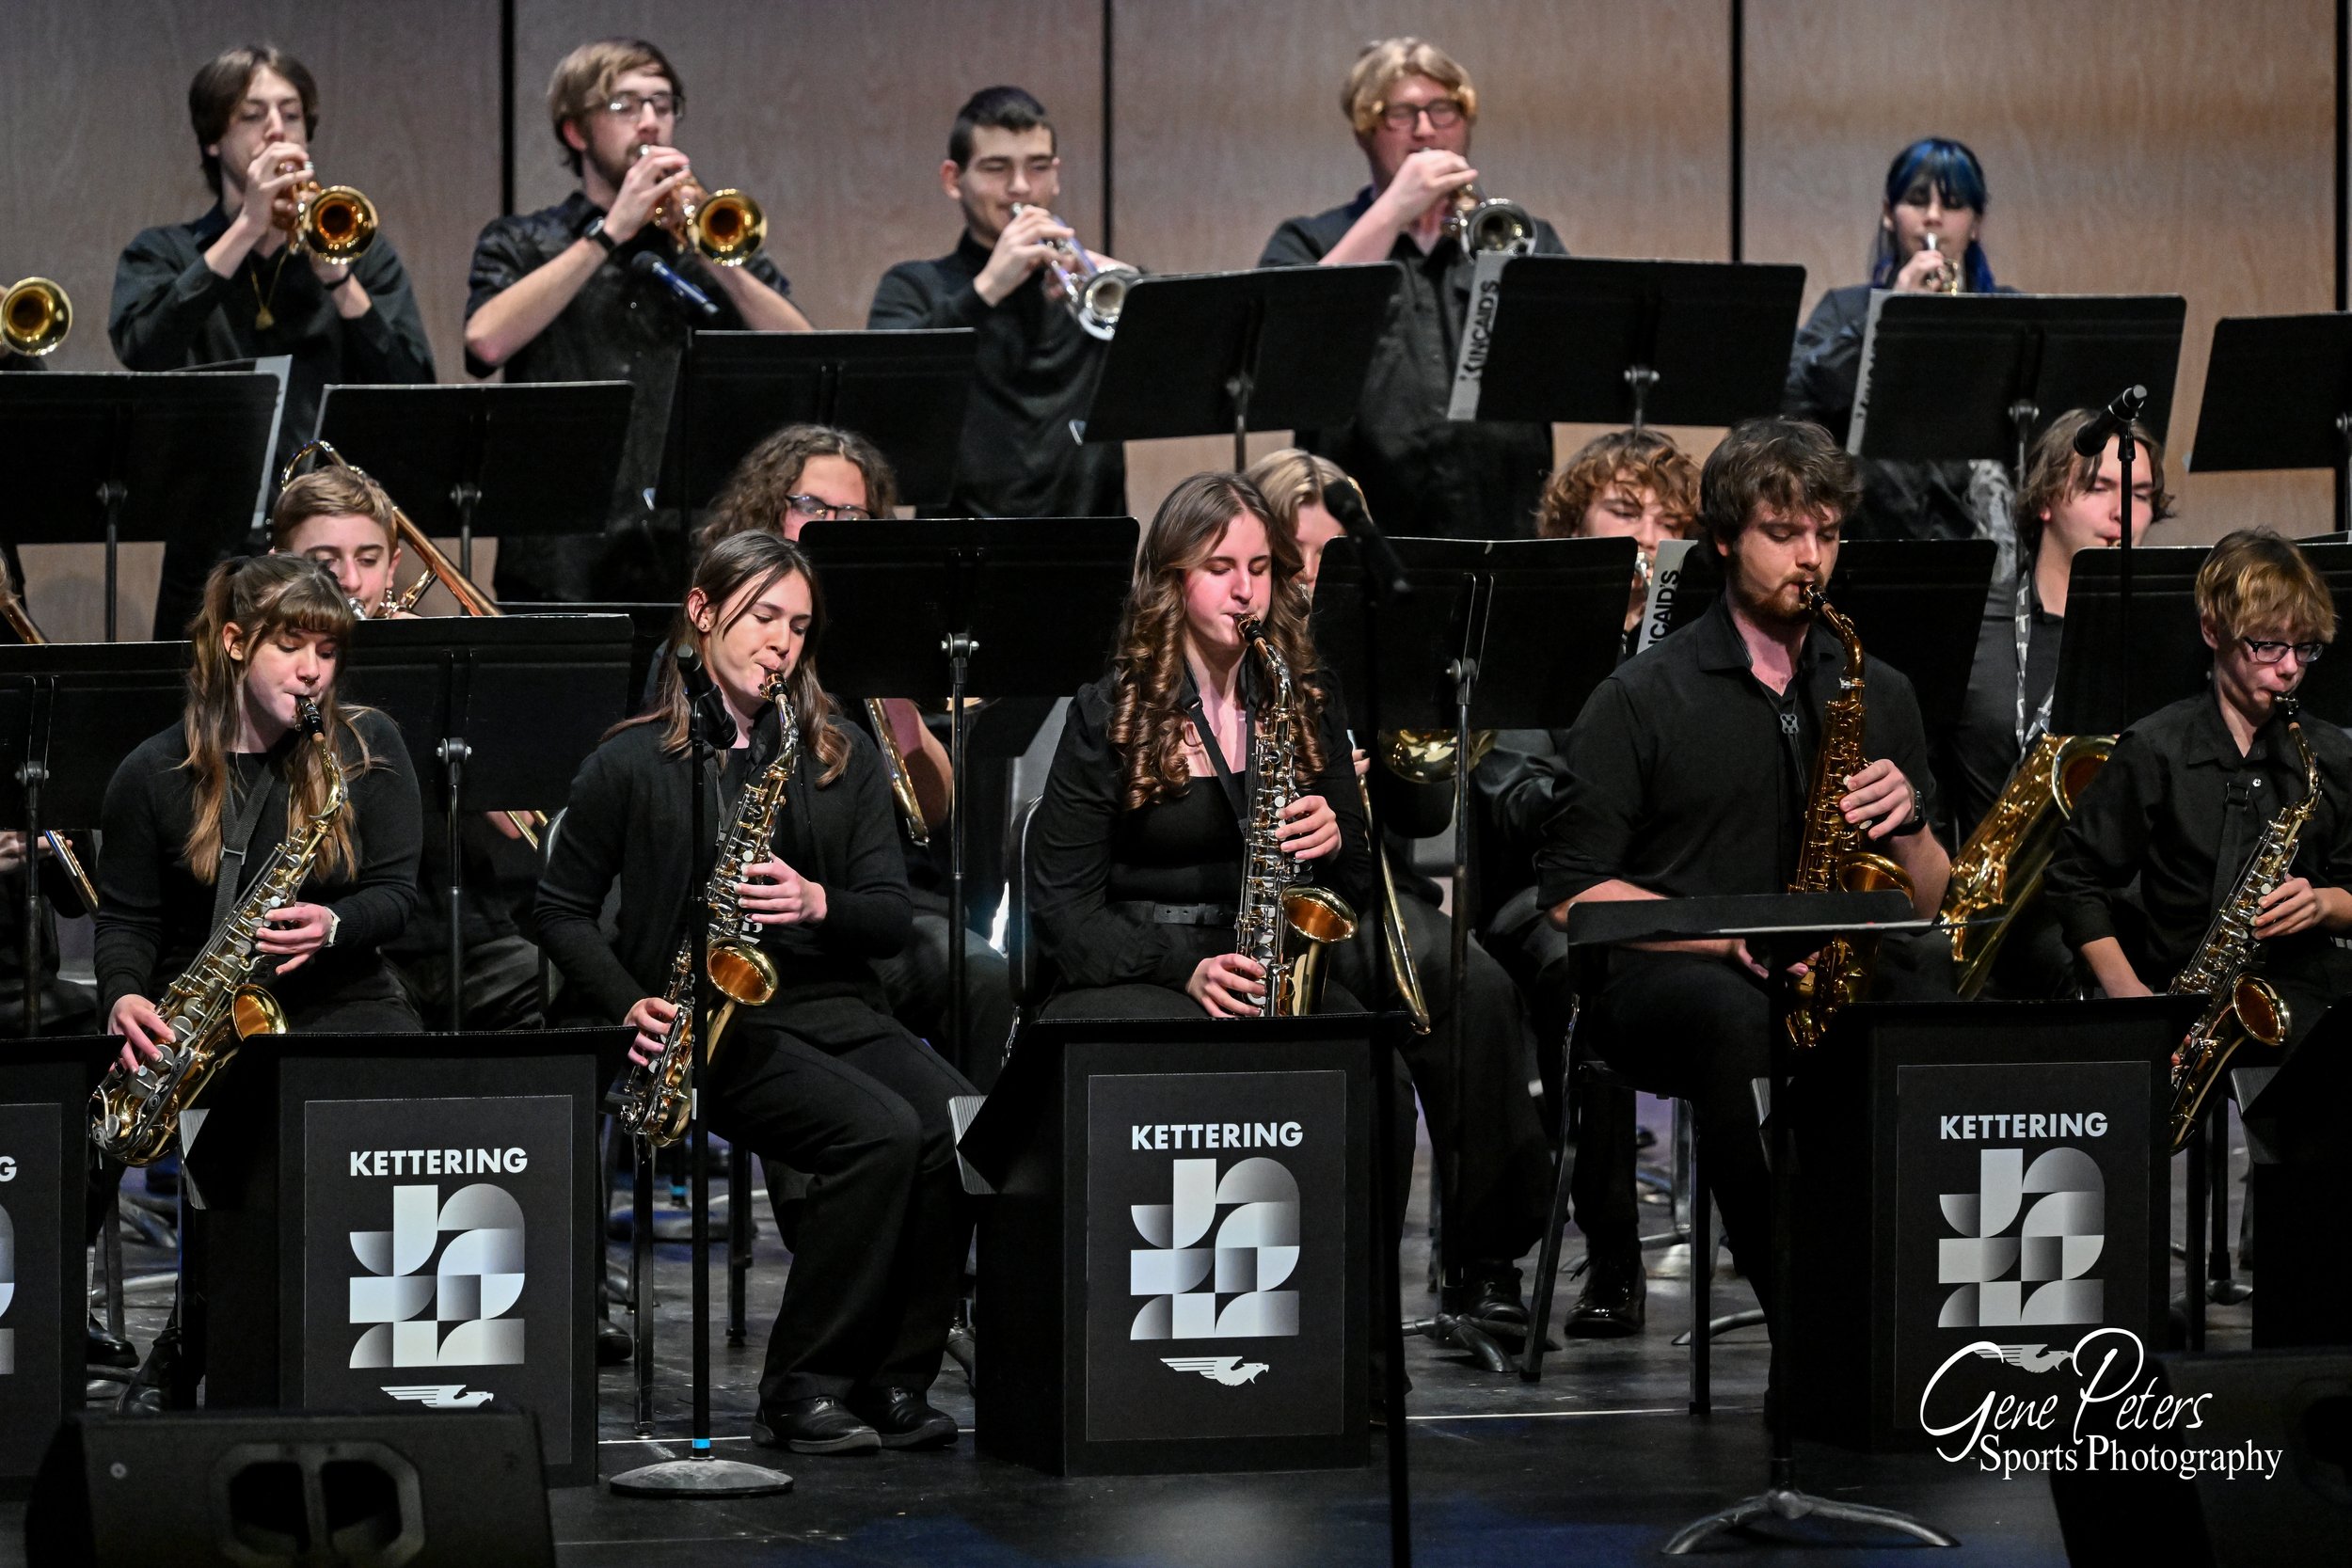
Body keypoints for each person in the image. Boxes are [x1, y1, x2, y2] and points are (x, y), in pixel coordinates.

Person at [534, 531, 973, 1454]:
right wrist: (626, 1000)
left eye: (798, 627)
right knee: (879, 1133)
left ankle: (896, 1378)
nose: (780, 643)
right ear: (702, 614)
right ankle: (804, 1382)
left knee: (953, 1120)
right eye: (762, 616)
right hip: (706, 1021)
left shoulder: (836, 753)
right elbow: (562, 907)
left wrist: (817, 899)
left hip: (831, 1002)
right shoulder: (628, 764)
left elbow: (890, 916)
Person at [1538, 418, 1948, 1326]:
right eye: (1783, 532)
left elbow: (1928, 899)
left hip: (1818, 958)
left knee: (1932, 979)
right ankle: (1805, 1322)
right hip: (1668, 971)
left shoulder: (1877, 690)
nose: (1811, 558)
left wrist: (1912, 822)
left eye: (1828, 533)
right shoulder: (1641, 696)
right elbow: (1573, 894)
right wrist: (1724, 935)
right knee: (1736, 1019)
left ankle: (1918, 1301)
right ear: (1723, 537)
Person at [98, 553, 425, 1410]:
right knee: (234, 1138)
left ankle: (369, 1341)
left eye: (327, 649)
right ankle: (197, 1333)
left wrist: (335, 922)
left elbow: (398, 893)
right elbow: (126, 921)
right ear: (237, 642)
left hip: (345, 994)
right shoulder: (153, 771)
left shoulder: (366, 747)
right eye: (291, 644)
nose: (313, 667)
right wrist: (124, 994)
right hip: (212, 1013)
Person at [1247, 447, 1553, 1327]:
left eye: (1330, 555)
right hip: (1264, 896)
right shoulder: (1239, 642)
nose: (1310, 577)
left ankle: (1484, 1257)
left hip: (1371, 888)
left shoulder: (1373, 640)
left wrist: (1374, 772)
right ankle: (1345, 1285)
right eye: (1292, 556)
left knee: (1479, 989)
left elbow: (1424, 813)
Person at [1467, 428, 1706, 1335]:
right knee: (1584, 962)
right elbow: (1511, 789)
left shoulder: (1701, 640)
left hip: (1681, 886)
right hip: (1545, 892)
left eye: (1669, 519)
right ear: (1575, 525)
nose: (1649, 532)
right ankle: (1613, 1247)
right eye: (1624, 510)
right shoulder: (1530, 631)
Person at [702, 422, 1017, 1085]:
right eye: (814, 508)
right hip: (766, 917)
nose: (836, 527)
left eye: (855, 514)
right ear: (769, 510)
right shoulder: (734, 634)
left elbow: (931, 812)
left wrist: (890, 675)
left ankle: (988, 1173)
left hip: (878, 910)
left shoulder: (887, 636)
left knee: (984, 976)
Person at [465, 38, 809, 604]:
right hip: (561, 553)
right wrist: (609, 234)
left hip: (696, 547)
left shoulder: (708, 239)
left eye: (663, 104)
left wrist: (712, 257)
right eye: (625, 106)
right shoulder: (521, 242)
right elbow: (484, 343)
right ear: (576, 131)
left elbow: (802, 354)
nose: (650, 122)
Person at [110, 45, 435, 638]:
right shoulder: (162, 253)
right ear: (213, 139)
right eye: (252, 115)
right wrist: (247, 229)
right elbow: (141, 348)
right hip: (209, 548)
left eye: (290, 113)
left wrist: (337, 274)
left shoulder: (360, 250)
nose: (277, 129)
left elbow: (413, 384)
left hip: (327, 548)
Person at [264, 464, 548, 1031]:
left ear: (393, 568)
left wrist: (434, 684)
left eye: (368, 561)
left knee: (556, 1004)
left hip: (468, 931)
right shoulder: (273, 679)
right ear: (279, 564)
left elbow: (517, 825)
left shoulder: (444, 659)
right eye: (325, 563)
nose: (348, 580)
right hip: (346, 946)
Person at [2044, 531, 2351, 1039]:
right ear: (2213, 630)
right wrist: (2130, 997)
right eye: (2268, 645)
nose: (2290, 668)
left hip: (2299, 992)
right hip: (2179, 992)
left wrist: (2324, 904)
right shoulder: (2155, 748)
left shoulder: (2330, 754)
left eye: (2304, 648)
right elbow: (2074, 878)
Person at [1259, 38, 1566, 541]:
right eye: (1400, 114)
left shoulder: (1524, 238)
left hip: (1504, 518)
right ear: (1364, 131)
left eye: (1443, 110)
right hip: (1359, 527)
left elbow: (1569, 361)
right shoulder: (1310, 240)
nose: (1426, 130)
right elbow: (1289, 341)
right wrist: (1394, 210)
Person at [1935, 409, 2170, 999]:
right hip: (1983, 915)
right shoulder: (1970, 628)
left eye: (2140, 495)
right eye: (2099, 489)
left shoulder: (2165, 645)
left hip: (2108, 916)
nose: (2123, 513)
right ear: (2044, 500)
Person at [867, 87, 1126, 520]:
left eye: (1038, 167)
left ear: (1056, 174)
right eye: (996, 168)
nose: (1021, 187)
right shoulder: (913, 287)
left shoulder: (1095, 287)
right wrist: (985, 290)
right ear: (953, 179)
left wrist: (1137, 293)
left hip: (1091, 538)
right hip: (960, 550)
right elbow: (886, 396)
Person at [1783, 137, 2015, 556]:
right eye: (1916, 200)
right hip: (1869, 534)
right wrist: (1890, 312)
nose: (1933, 217)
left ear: (1976, 222)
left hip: (1986, 542)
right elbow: (1796, 395)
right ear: (1889, 215)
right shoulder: (1846, 309)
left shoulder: (2008, 313)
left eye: (1953, 204)